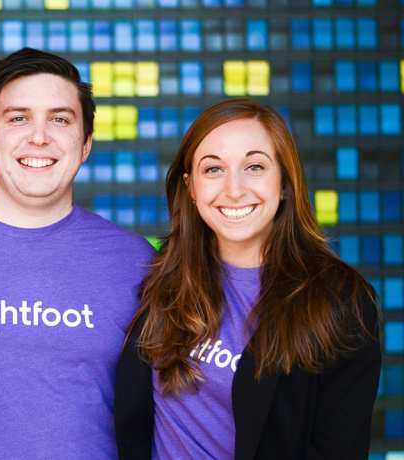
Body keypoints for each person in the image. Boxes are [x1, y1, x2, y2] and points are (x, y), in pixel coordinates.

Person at [0, 47, 154, 459]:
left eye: (60, 119)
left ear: (86, 143)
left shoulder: (137, 261)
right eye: (18, 118)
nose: (39, 136)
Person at [115, 98, 381, 459]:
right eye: (214, 169)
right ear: (191, 187)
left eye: (254, 167)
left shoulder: (341, 302)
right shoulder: (161, 276)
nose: (234, 190)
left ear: (284, 183)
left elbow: (339, 449)